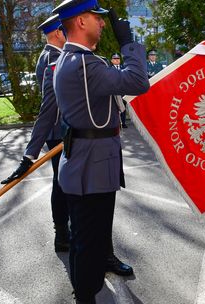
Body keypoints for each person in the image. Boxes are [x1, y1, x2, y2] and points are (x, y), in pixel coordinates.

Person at [52, 0, 149, 303]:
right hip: (92, 168)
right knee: (88, 244)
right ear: (81, 21)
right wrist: (129, 43)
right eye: (98, 18)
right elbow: (137, 82)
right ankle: (85, 296)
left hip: (89, 163)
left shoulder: (76, 60)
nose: (104, 23)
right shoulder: (84, 64)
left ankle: (86, 289)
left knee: (88, 239)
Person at [1, 14, 69, 252]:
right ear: (59, 32)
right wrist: (29, 155)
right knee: (62, 184)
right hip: (60, 131)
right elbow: (50, 107)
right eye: (66, 29)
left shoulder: (51, 56)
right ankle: (62, 234)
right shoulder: (54, 59)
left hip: (57, 130)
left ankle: (65, 231)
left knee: (62, 183)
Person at [110, 52, 127, 128]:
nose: (116, 60)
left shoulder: (124, 68)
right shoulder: (109, 69)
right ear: (111, 60)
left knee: (123, 107)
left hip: (123, 91)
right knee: (115, 107)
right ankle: (116, 122)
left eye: (118, 58)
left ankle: (123, 122)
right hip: (114, 91)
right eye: (115, 58)